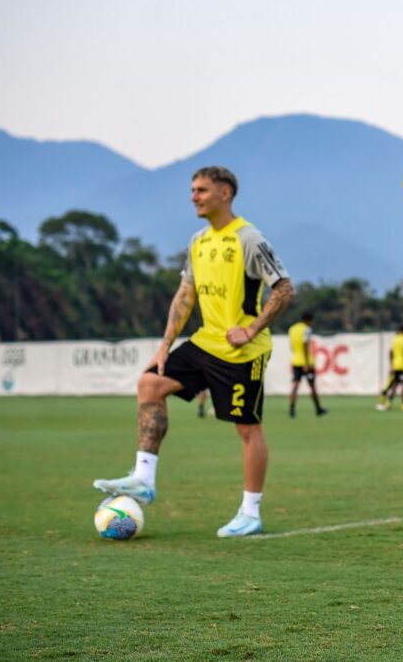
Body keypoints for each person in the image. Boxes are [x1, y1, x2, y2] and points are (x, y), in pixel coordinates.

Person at [93, 166, 295, 538]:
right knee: (149, 384)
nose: (194, 196)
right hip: (203, 343)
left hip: (242, 354)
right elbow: (185, 295)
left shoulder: (249, 238)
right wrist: (165, 345)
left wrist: (250, 329)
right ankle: (143, 478)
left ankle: (250, 513)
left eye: (201, 190)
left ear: (225, 193)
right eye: (192, 190)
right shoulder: (198, 242)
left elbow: (284, 288)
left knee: (247, 430)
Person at [288, 312, 327, 417]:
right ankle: (318, 409)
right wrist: (306, 363)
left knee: (295, 385)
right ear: (308, 320)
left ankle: (292, 410)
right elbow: (305, 344)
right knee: (312, 386)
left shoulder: (292, 329)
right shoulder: (307, 329)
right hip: (307, 362)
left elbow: (292, 346)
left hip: (296, 360)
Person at [376, 325, 403, 411]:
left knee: (395, 384)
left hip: (396, 365)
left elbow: (390, 352)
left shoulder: (395, 339)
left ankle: (388, 401)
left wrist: (391, 364)